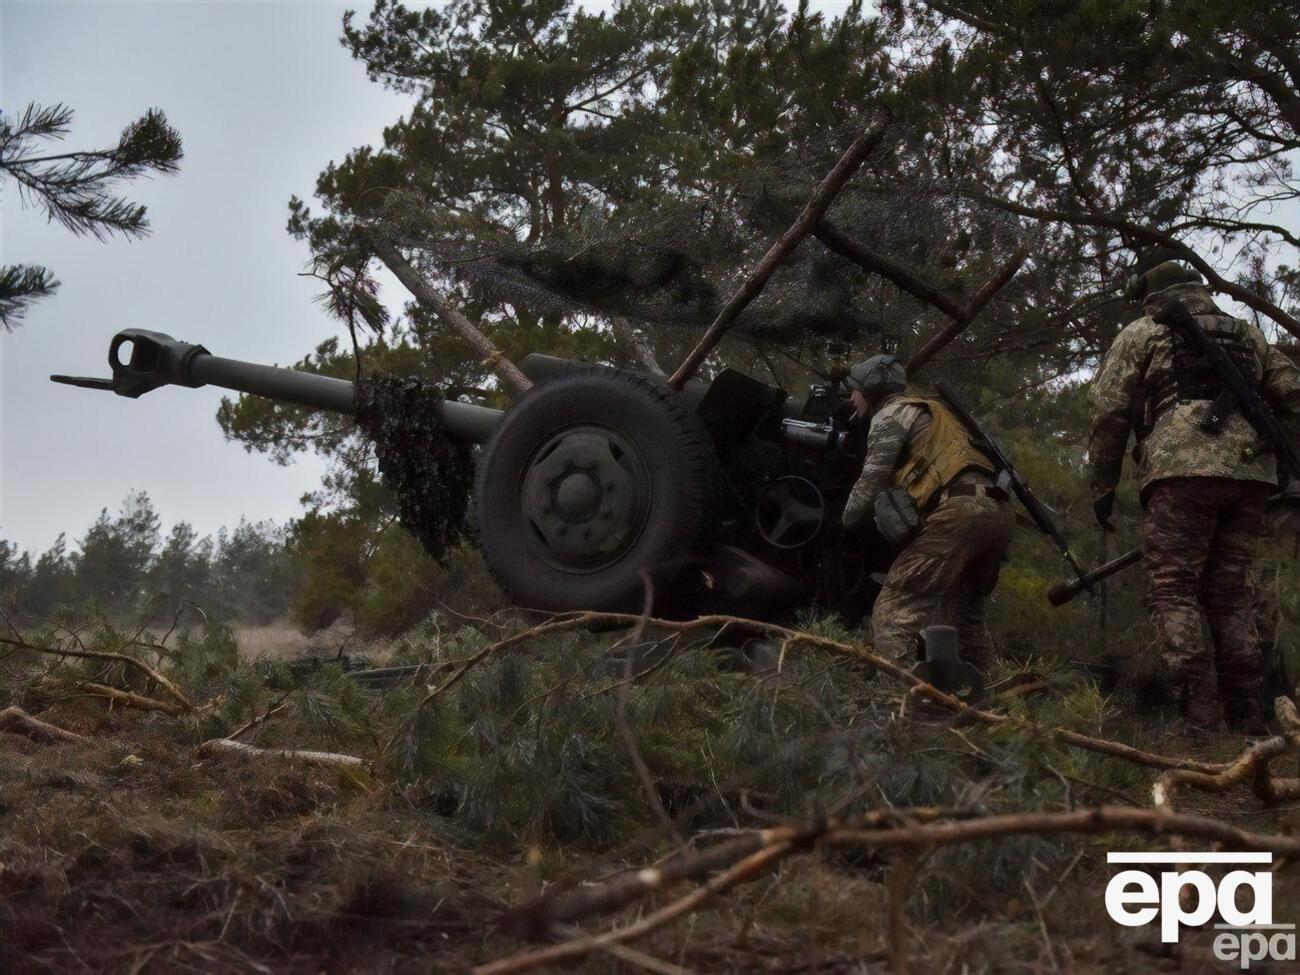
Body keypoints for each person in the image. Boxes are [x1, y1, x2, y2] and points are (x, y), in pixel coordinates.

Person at [1088, 260, 1300, 733]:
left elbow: (1109, 410)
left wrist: (1102, 485)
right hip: (1251, 477)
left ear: (1153, 297)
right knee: (1229, 595)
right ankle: (1248, 719)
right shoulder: (1248, 334)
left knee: (1172, 589)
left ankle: (1201, 720)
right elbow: (1293, 393)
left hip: (1181, 471)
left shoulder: (1145, 330)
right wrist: (1278, 459)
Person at [840, 355, 1015, 669]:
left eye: (852, 391)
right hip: (999, 511)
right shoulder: (940, 414)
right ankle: (991, 703)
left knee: (894, 609)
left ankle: (902, 703)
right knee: (965, 616)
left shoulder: (893, 413)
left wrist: (845, 520)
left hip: (961, 511)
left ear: (870, 389)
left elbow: (872, 479)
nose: (850, 399)